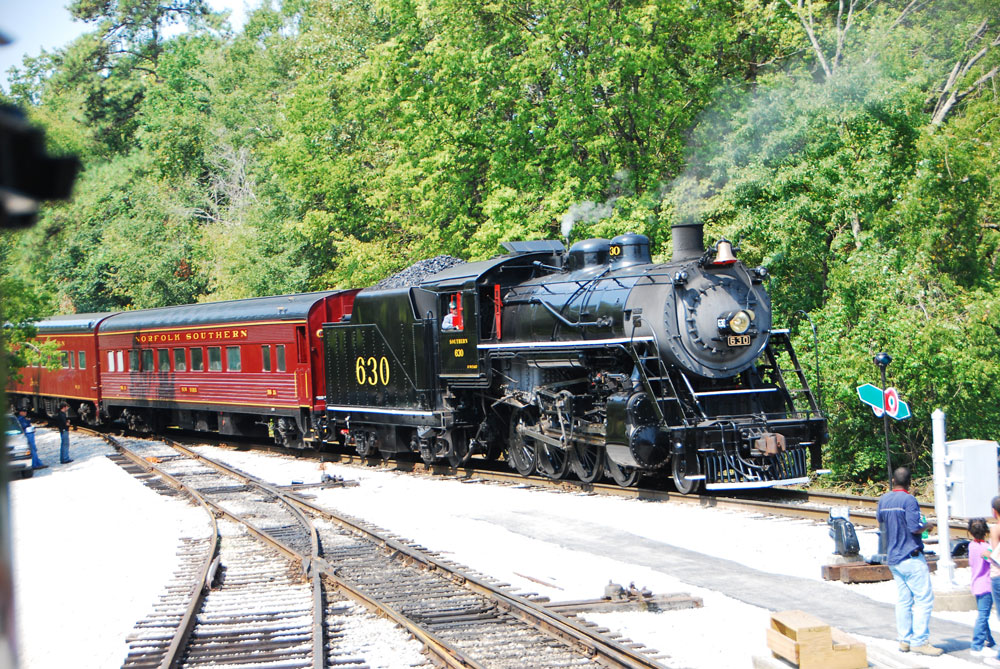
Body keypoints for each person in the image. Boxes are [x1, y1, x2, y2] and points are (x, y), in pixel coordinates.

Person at [876, 466, 942, 656]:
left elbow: (881, 519)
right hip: (910, 557)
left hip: (894, 557)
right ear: (909, 483)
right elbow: (914, 527)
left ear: (893, 482)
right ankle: (920, 641)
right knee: (923, 599)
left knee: (904, 600)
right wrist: (927, 525)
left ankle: (904, 640)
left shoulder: (884, 500)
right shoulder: (909, 500)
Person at [968, 518, 996, 655]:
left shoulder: (971, 546)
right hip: (986, 585)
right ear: (986, 531)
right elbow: (992, 560)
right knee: (983, 615)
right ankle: (977, 644)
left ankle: (990, 640)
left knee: (982, 614)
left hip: (976, 584)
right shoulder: (986, 548)